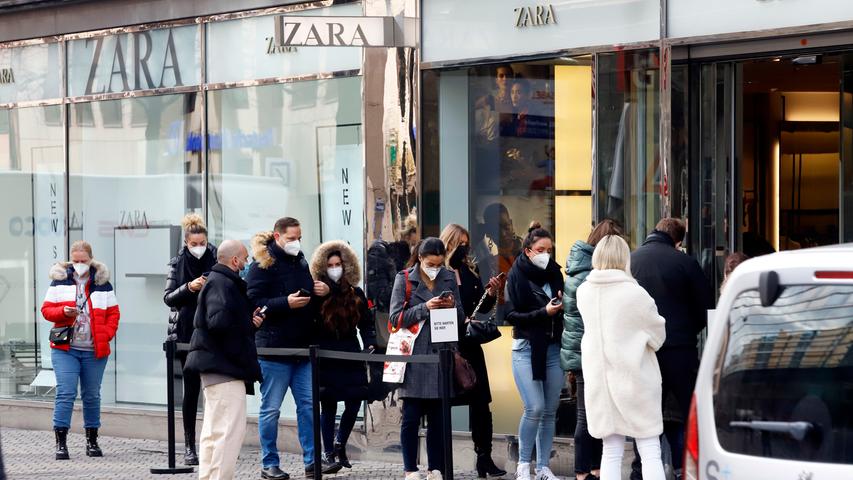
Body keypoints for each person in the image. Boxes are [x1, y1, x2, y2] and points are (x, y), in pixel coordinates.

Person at [247, 217, 334, 480]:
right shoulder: (261, 266)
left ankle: (312, 462)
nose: (296, 242)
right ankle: (269, 462)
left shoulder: (301, 262)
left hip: (303, 348)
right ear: (277, 236)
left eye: (299, 237)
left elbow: (308, 298)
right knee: (271, 408)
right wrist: (284, 303)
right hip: (274, 350)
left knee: (308, 407)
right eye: (291, 238)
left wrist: (323, 291)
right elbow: (252, 302)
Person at [576, 235, 667, 480]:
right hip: (634, 380)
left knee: (611, 450)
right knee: (649, 449)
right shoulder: (635, 294)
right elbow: (658, 337)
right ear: (624, 257)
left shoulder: (584, 292)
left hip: (600, 381)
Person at [630, 218, 713, 478]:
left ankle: (639, 469)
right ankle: (689, 467)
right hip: (680, 349)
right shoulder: (686, 263)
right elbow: (706, 308)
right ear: (679, 241)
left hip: (643, 350)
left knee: (644, 413)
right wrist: (688, 332)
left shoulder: (631, 261)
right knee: (690, 411)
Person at [184, 240, 264, 480]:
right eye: (246, 258)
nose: (248, 263)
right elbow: (219, 322)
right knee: (228, 432)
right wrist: (245, 327)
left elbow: (221, 321)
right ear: (235, 260)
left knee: (214, 432)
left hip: (216, 367)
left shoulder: (217, 282)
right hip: (225, 368)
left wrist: (248, 324)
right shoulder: (223, 284)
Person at [390, 238, 465, 480]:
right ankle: (410, 469)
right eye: (431, 263)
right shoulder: (404, 279)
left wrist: (451, 305)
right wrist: (425, 308)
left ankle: (436, 468)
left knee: (438, 419)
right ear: (420, 258)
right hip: (415, 356)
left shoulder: (449, 277)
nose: (435, 267)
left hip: (441, 352)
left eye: (439, 263)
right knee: (410, 417)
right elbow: (395, 318)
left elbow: (461, 316)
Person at [41, 240, 120, 460]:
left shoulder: (102, 283)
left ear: (90, 260)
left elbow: (114, 313)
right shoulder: (59, 282)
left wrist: (106, 334)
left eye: (83, 260)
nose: (79, 264)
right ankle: (61, 443)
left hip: (94, 349)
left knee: (92, 395)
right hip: (66, 348)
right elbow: (46, 310)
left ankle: (92, 441)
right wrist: (63, 312)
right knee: (66, 393)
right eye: (75, 260)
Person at [439, 224, 506, 478]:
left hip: (470, 344)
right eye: (460, 243)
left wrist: (491, 292)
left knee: (480, 403)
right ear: (450, 243)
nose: (465, 248)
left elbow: (481, 308)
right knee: (444, 403)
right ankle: (442, 460)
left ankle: (484, 458)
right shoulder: (440, 273)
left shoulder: (469, 270)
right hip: (448, 346)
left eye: (467, 243)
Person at [561, 219, 623, 480]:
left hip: (580, 351)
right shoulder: (591, 275)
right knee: (587, 416)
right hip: (589, 352)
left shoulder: (579, 270)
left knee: (589, 414)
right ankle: (584, 471)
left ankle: (591, 469)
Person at [309, 240, 377, 471]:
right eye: (330, 264)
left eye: (338, 264)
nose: (335, 268)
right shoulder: (316, 293)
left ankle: (340, 443)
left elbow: (366, 324)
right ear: (322, 267)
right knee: (327, 405)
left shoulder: (355, 292)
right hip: (326, 354)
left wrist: (369, 344)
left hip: (350, 352)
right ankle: (328, 452)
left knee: (355, 400)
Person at [504, 225, 564, 480]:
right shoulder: (515, 276)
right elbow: (510, 315)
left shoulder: (555, 273)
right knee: (535, 407)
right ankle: (522, 466)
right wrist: (544, 313)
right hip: (526, 348)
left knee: (550, 410)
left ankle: (542, 467)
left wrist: (563, 304)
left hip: (552, 346)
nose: (546, 255)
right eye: (541, 250)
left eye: (549, 250)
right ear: (528, 251)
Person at [163, 213, 217, 466]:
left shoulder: (217, 258)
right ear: (186, 242)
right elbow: (169, 298)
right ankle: (189, 445)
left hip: (215, 330)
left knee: (216, 389)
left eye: (202, 242)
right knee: (191, 390)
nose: (199, 247)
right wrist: (189, 287)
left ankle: (215, 441)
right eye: (194, 243)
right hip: (186, 332)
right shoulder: (177, 263)